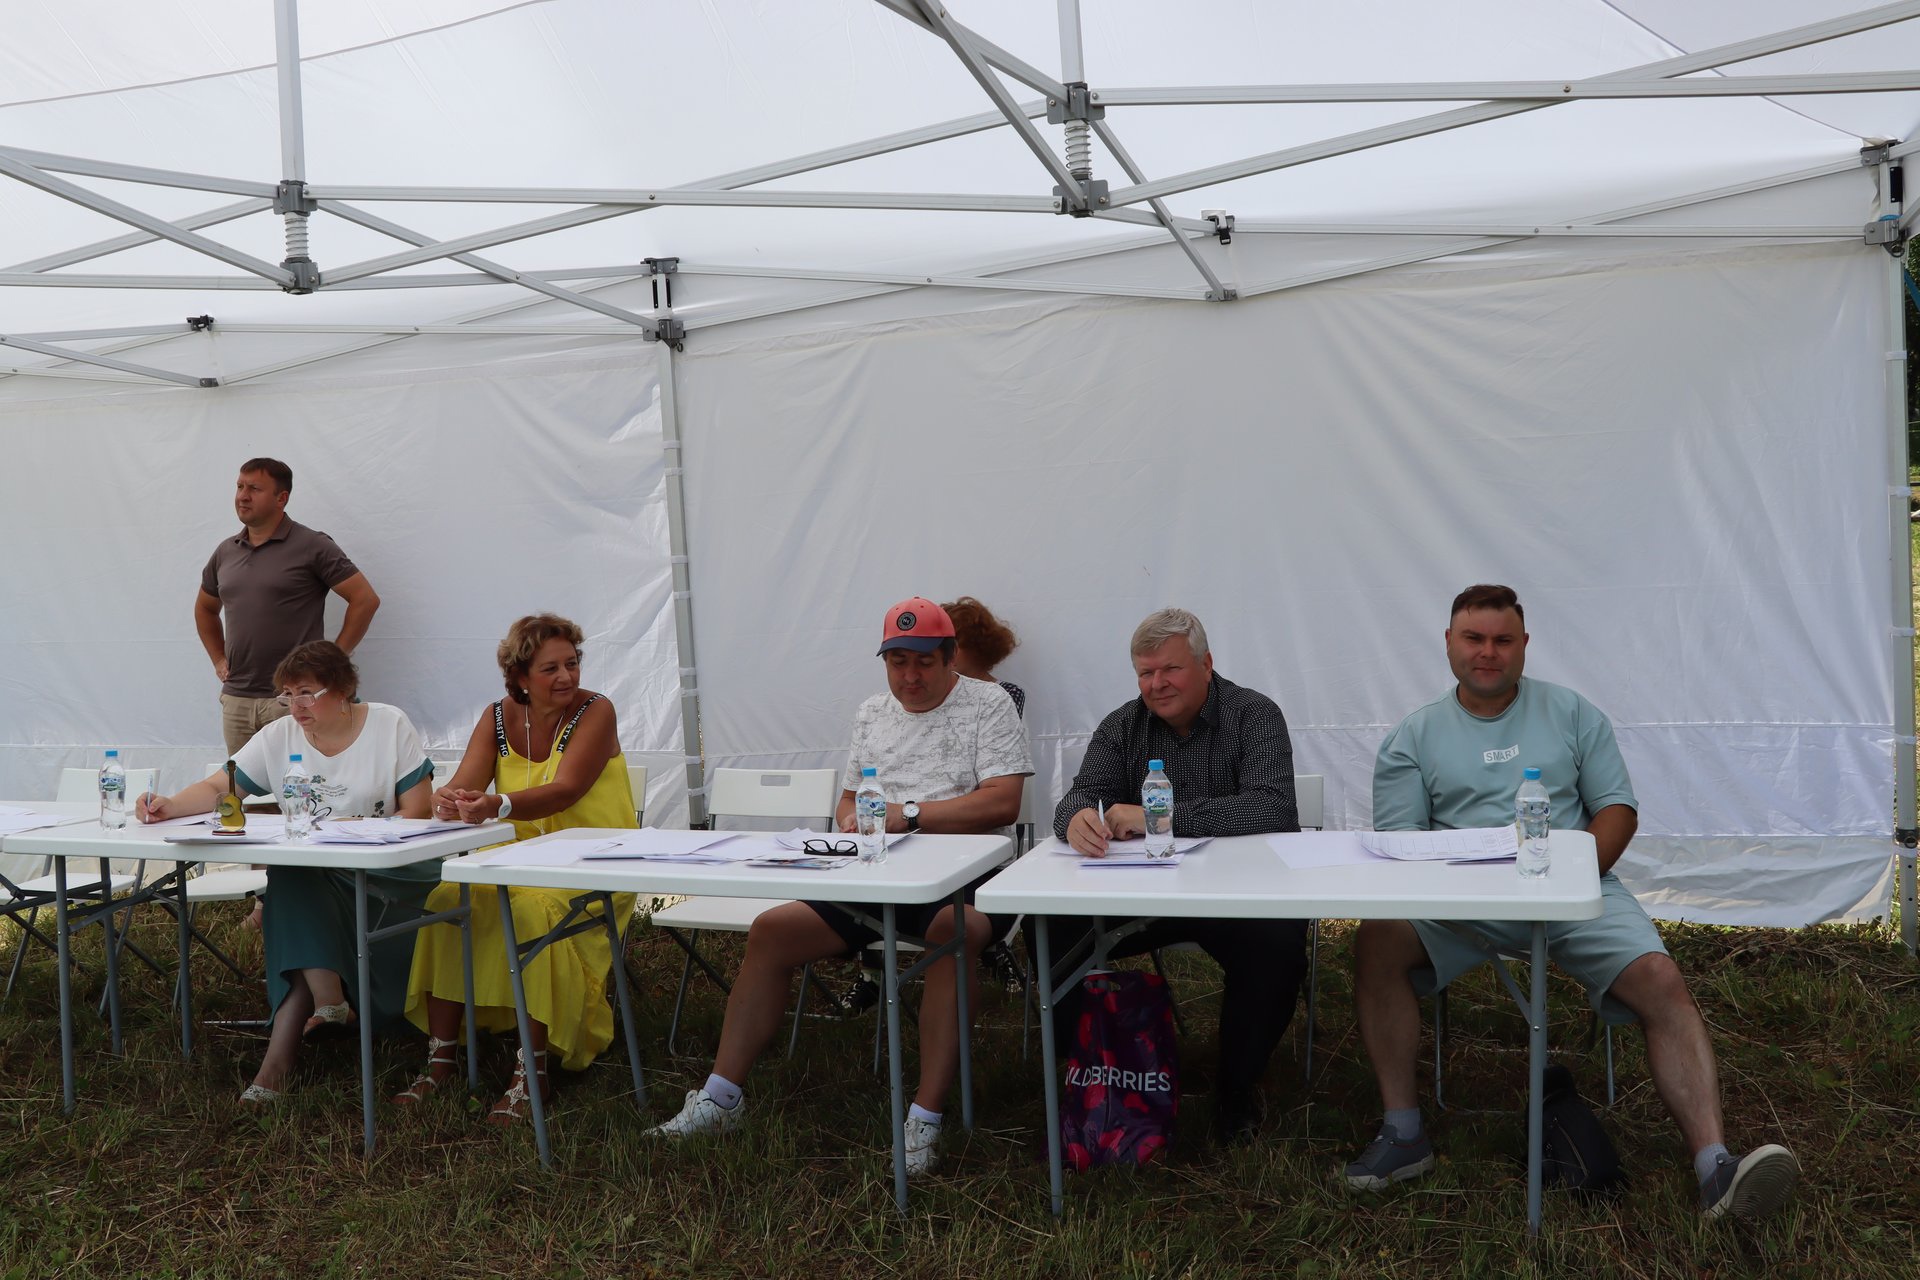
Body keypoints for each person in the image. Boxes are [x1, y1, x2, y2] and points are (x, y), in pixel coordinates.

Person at [1345, 584, 1799, 1221]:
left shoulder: (1573, 713)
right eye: (1474, 638)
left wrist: (1577, 876)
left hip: (1574, 892)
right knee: (1376, 939)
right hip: (1458, 907)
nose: (1488, 652)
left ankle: (1715, 1168)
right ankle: (1404, 1136)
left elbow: (1616, 810)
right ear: (1448, 643)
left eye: (1503, 640)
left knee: (1661, 978)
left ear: (1524, 645)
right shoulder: (1411, 737)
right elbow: (1403, 849)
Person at [647, 596, 1032, 1176]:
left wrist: (909, 815)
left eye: (924, 662)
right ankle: (721, 1098)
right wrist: (852, 819)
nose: (910, 676)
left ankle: (926, 1115)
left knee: (954, 934)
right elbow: (850, 797)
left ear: (951, 658)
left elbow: (1004, 801)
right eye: (897, 661)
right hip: (876, 874)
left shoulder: (989, 703)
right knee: (771, 931)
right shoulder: (873, 711)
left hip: (966, 874)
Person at [136, 641, 433, 1105]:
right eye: (288, 695)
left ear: (343, 689)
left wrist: (360, 835)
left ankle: (297, 1041)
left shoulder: (388, 723)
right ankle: (318, 1015)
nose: (296, 706)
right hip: (317, 874)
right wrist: (168, 805)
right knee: (294, 874)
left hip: (390, 872)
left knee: (293, 880)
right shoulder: (279, 735)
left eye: (307, 693)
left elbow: (419, 811)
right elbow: (219, 787)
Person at [1053, 607, 1307, 1142]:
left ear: (1206, 664)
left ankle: (1236, 1089)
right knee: (1054, 927)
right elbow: (1081, 795)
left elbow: (1272, 808)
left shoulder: (1254, 715)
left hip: (1239, 896)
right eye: (1145, 673)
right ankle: (1087, 1077)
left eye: (1170, 669)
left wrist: (1157, 819)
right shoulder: (1123, 725)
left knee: (1276, 943)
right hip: (1143, 897)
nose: (1157, 684)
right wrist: (1075, 818)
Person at [398, 614, 638, 1123]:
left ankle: (533, 1072)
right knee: (447, 901)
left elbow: (566, 790)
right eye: (551, 668)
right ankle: (440, 1060)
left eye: (572, 663)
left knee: (530, 913)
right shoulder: (497, 716)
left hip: (593, 862)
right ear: (520, 676)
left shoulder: (596, 709)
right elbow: (465, 783)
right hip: (516, 859)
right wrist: (449, 799)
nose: (566, 676)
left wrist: (497, 804)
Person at [196, 458, 380, 757]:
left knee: (300, 781)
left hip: (295, 700)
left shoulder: (313, 545)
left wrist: (335, 658)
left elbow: (365, 599)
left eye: (254, 489)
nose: (243, 496)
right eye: (240, 487)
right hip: (238, 700)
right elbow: (205, 608)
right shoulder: (226, 551)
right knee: (240, 785)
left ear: (281, 498)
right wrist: (218, 658)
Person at [945, 595, 1025, 718]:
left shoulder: (1008, 692)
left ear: (975, 646)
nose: (946, 652)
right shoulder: (938, 692)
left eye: (954, 645)